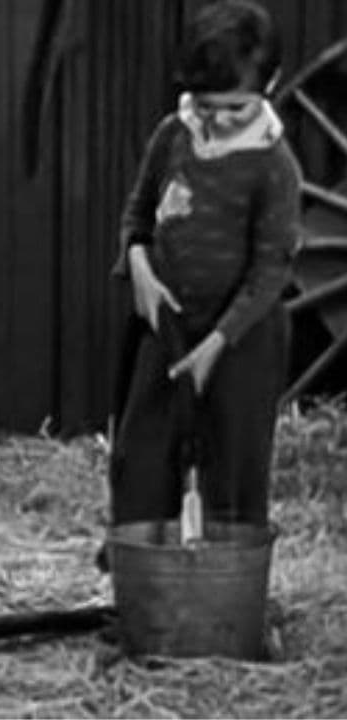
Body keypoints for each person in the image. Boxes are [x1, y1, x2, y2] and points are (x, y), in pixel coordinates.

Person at [107, 0, 298, 537]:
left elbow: (271, 268)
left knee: (231, 466)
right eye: (205, 106)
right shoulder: (173, 134)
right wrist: (139, 267)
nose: (216, 120)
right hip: (166, 322)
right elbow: (138, 215)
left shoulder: (273, 164)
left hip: (240, 336)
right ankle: (141, 569)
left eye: (235, 108)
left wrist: (217, 342)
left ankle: (223, 578)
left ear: (269, 85)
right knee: (140, 458)